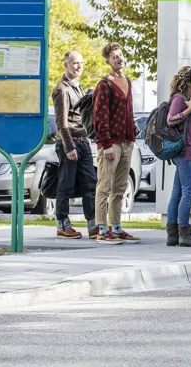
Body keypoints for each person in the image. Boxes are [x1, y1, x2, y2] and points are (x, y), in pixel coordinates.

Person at [92, 42, 139, 243]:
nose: (118, 59)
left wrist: (133, 134)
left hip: (127, 141)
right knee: (105, 186)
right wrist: (106, 143)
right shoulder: (105, 85)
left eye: (120, 55)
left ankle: (117, 226)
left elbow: (129, 112)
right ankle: (102, 229)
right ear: (108, 61)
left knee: (120, 187)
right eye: (114, 57)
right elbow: (100, 117)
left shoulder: (127, 80)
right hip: (111, 143)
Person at [51, 51, 98, 239]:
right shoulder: (61, 89)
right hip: (68, 143)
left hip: (83, 141)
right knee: (66, 185)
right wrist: (69, 147)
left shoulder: (77, 86)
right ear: (66, 65)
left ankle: (93, 225)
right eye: (74, 63)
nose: (78, 66)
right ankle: (62, 225)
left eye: (81, 63)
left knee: (90, 183)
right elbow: (62, 123)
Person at [165, 65, 191, 247]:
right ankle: (185, 233)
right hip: (186, 152)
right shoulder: (179, 99)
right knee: (187, 193)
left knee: (178, 193)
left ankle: (173, 235)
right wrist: (189, 110)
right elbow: (170, 120)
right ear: (189, 81)